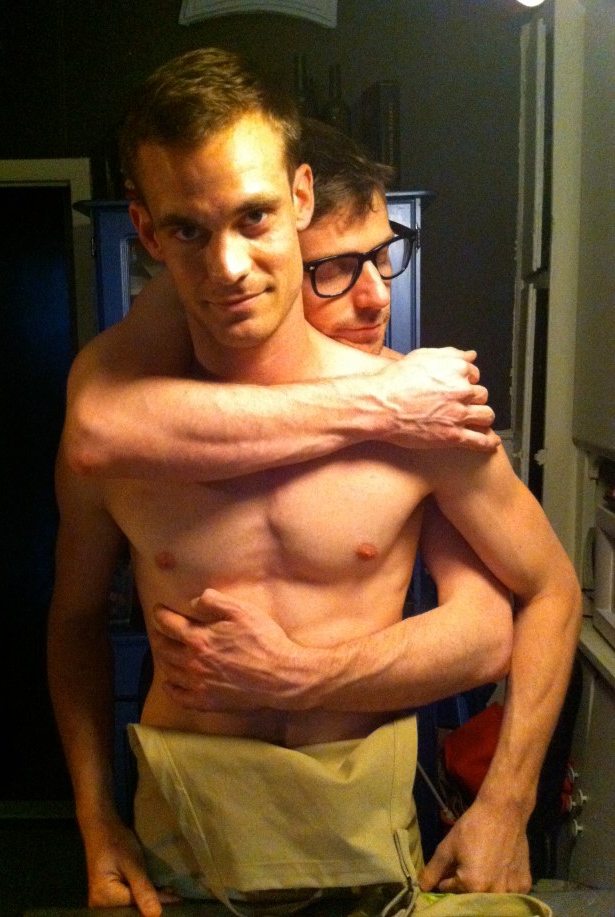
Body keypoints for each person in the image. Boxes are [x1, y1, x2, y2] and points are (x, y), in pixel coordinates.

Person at [48, 48, 579, 917]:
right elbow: (72, 621)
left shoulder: (421, 411)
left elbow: (547, 589)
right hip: (185, 846)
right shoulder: (119, 427)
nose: (227, 266)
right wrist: (94, 818)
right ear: (147, 233)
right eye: (187, 230)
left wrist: (505, 804)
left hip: (365, 839)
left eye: (254, 216)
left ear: (298, 199)